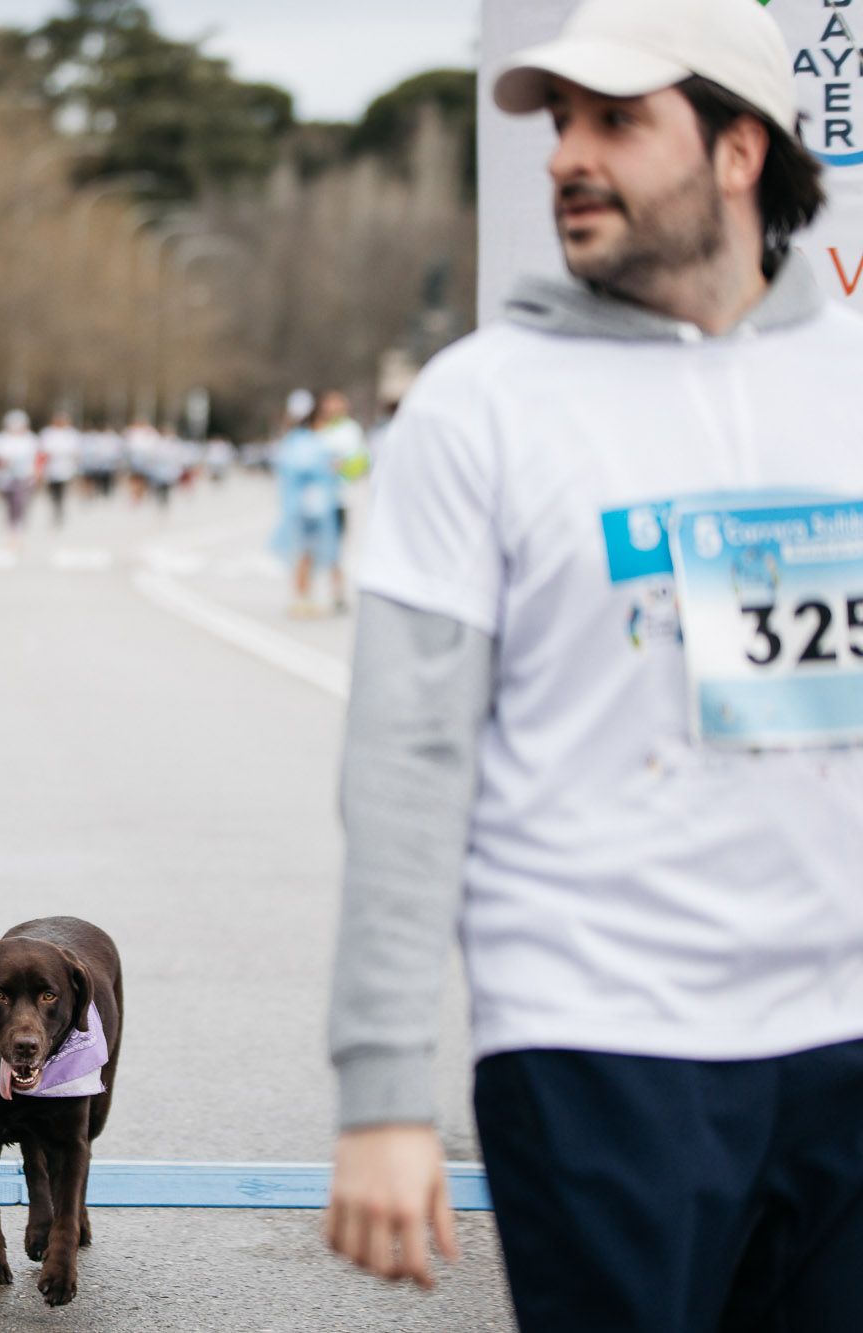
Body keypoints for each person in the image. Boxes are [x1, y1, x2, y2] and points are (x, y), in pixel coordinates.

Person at [324, 4, 863, 1329]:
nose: (571, 154)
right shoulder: (480, 402)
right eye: (562, 121)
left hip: (843, 1032)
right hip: (600, 1043)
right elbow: (406, 760)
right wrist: (386, 1087)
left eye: (617, 122)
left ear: (741, 150)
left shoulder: (846, 378)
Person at [270, 391, 338, 618]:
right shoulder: (304, 442)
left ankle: (305, 596)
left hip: (312, 505)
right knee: (303, 554)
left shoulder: (301, 441)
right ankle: (301, 598)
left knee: (309, 555)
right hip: (305, 507)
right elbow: (304, 469)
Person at [313, 390, 367, 612]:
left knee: (336, 547)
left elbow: (361, 462)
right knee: (312, 547)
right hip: (316, 498)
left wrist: (341, 468)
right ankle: (311, 593)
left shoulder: (350, 431)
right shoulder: (317, 430)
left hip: (340, 498)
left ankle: (336, 592)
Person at [0, 409, 39, 546]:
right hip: (5, 479)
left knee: (20, 505)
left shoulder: (30, 439)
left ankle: (17, 530)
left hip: (24, 478)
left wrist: (36, 474)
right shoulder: (1, 439)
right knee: (9, 505)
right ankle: (10, 527)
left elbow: (37, 459)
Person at [39, 410, 81, 526]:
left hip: (66, 470)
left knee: (62, 492)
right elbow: (42, 452)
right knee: (53, 492)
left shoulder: (71, 434)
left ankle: (59, 510)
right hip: (51, 470)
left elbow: (76, 452)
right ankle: (55, 508)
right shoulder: (48, 433)